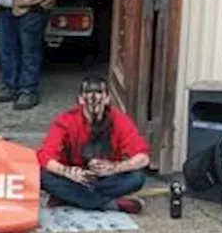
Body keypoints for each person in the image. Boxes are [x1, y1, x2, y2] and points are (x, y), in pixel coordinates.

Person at [35, 76, 150, 214]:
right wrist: (68, 172)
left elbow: (143, 158)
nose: (94, 100)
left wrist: (114, 168)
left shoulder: (119, 120)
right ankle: (112, 204)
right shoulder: (66, 121)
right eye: (88, 95)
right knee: (43, 177)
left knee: (137, 178)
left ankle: (71, 198)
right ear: (80, 99)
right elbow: (44, 157)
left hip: (106, 179)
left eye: (100, 94)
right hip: (75, 180)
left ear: (108, 98)